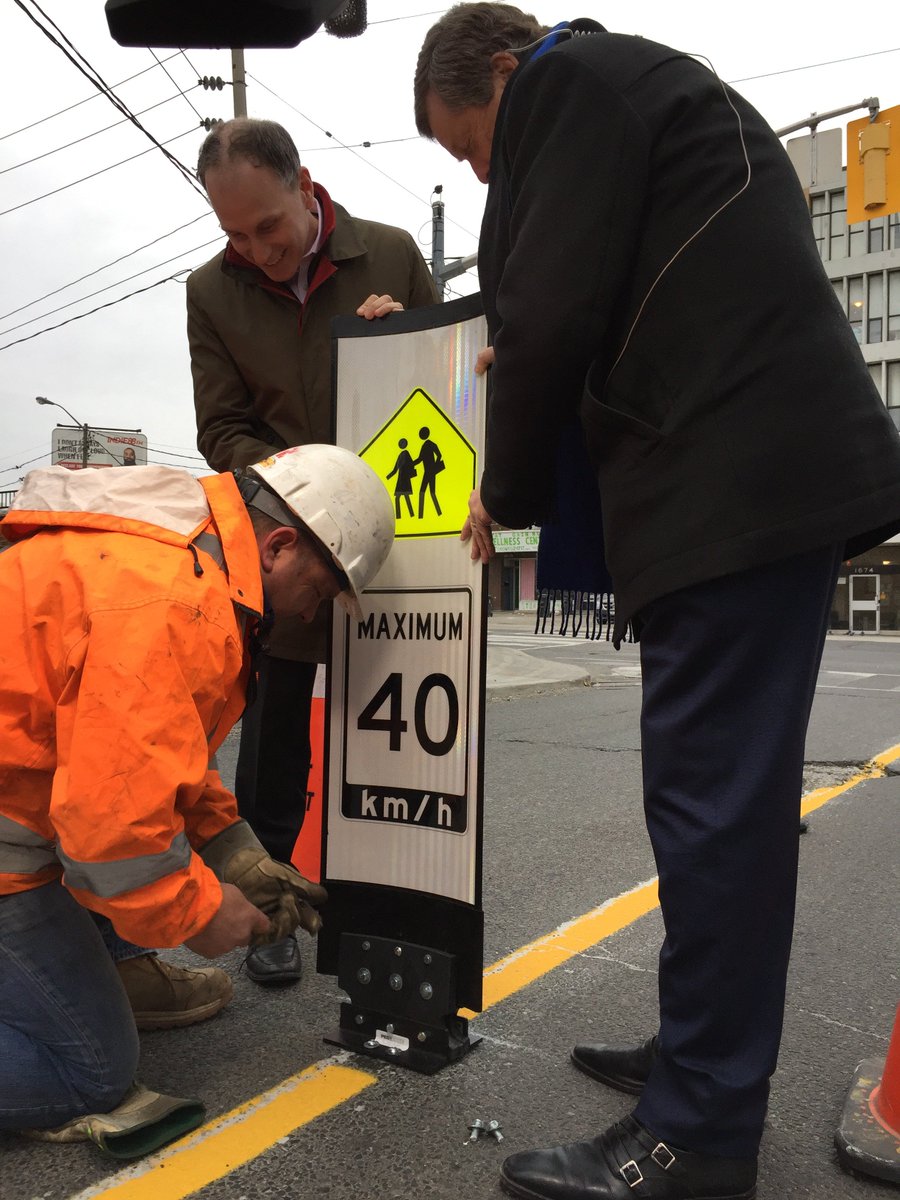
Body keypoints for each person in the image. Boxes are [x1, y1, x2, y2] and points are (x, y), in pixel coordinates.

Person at [415, 7, 900, 1199]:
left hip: (731, 485)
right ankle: (698, 1063)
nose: (480, 171)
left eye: (468, 146)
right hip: (744, 481)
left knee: (717, 817)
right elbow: (565, 300)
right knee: (706, 809)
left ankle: (702, 1135)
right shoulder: (637, 88)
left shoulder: (568, 87)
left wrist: (507, 491)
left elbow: (550, 308)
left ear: (496, 72)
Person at [0, 445, 394, 1145]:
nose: (315, 611)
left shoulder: (185, 549)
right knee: (90, 1071)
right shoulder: (177, 604)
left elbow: (150, 755)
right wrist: (204, 914)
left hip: (26, 802)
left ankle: (98, 978)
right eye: (324, 588)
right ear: (279, 545)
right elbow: (111, 832)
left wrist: (232, 850)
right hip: (13, 839)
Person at [187, 117, 438, 985]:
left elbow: (456, 386)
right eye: (233, 234)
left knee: (402, 733)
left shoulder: (394, 253)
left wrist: (411, 341)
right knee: (275, 737)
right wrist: (302, 486)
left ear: (305, 185)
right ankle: (272, 907)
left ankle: (392, 901)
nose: (256, 250)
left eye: (269, 226)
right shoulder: (209, 292)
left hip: (401, 543)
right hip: (286, 545)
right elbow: (221, 428)